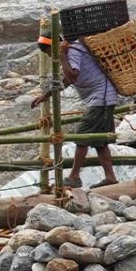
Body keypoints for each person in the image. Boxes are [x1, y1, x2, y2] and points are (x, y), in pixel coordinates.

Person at [31, 33, 119, 187]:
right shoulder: (70, 50)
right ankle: (110, 177)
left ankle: (74, 176)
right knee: (100, 141)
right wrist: (45, 96)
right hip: (102, 97)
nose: (50, 55)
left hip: (102, 97)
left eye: (49, 51)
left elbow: (72, 76)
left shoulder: (73, 50)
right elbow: (65, 80)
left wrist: (63, 56)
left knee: (81, 135)